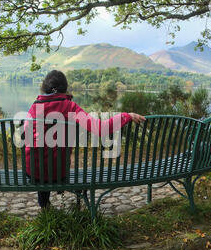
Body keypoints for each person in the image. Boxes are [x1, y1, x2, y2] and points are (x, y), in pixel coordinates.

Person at [25, 70, 145, 208]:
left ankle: (44, 205)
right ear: (65, 88)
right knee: (54, 163)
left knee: (40, 160)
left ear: (45, 87)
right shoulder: (70, 107)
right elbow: (101, 129)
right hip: (59, 173)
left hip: (34, 174)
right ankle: (72, 200)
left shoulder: (34, 107)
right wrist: (126, 116)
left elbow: (27, 137)